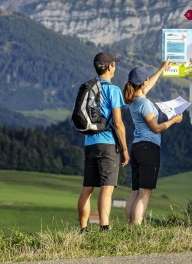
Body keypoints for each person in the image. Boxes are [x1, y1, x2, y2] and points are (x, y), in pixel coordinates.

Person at [123, 62, 183, 225]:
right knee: (145, 192)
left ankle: (130, 228)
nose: (149, 80)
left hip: (136, 147)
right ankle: (137, 228)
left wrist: (162, 69)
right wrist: (173, 120)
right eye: (147, 79)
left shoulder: (135, 100)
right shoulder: (145, 104)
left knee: (135, 191)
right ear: (143, 83)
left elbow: (149, 85)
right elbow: (156, 128)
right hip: (148, 148)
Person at [77, 51, 130, 233]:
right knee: (107, 188)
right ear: (109, 67)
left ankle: (83, 229)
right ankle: (104, 227)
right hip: (107, 144)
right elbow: (118, 123)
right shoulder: (112, 90)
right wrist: (124, 149)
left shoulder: (89, 87)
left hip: (89, 142)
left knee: (87, 188)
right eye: (114, 64)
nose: (115, 66)